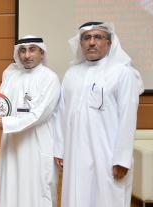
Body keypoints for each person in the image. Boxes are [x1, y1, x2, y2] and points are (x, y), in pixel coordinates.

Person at [54, 22, 144, 207]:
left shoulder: (123, 73)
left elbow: (128, 117)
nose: (92, 42)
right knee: (76, 197)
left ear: (109, 43)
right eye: (87, 38)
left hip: (107, 155)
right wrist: (60, 149)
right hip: (75, 154)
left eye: (98, 37)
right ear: (81, 44)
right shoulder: (72, 73)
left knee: (107, 199)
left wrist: (122, 158)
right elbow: (62, 113)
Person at [0, 35, 61, 207]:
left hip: (37, 143)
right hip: (12, 145)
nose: (27, 55)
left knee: (38, 191)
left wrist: (6, 124)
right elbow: (0, 106)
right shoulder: (11, 76)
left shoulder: (50, 78)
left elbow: (39, 114)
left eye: (32, 49)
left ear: (41, 52)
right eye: (22, 50)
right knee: (11, 188)